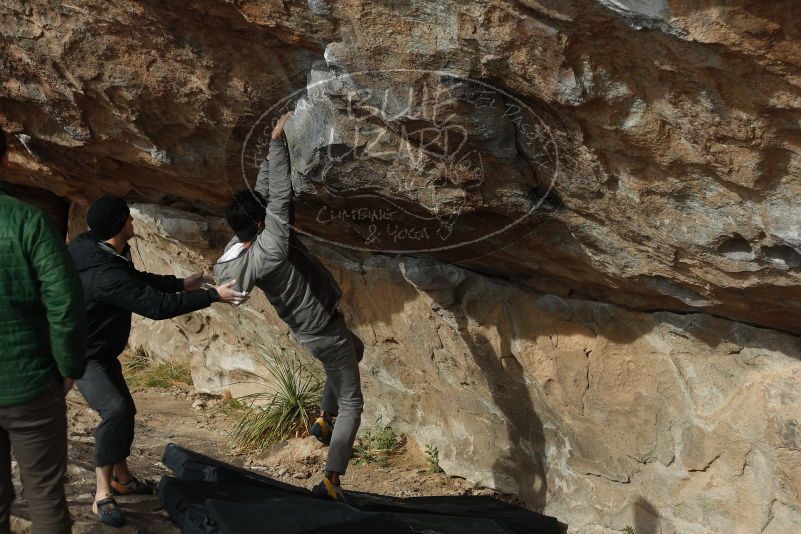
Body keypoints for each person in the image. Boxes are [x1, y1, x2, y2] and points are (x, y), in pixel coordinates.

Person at [68, 196, 248, 527]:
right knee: (115, 411)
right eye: (129, 218)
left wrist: (182, 283)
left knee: (126, 411)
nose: (133, 222)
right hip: (82, 354)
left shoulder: (100, 249)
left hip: (99, 350)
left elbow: (135, 279)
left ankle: (122, 479)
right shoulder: (103, 273)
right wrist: (212, 295)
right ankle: (102, 494)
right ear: (121, 224)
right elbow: (156, 307)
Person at [214, 111, 364, 503]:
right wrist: (277, 142)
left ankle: (322, 419)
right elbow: (279, 197)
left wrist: (268, 156)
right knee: (353, 402)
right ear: (261, 226)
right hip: (325, 330)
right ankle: (333, 478)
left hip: (310, 331)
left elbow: (264, 196)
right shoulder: (273, 247)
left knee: (356, 351)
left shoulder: (239, 249)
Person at [0, 128, 87, 534]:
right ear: (5, 161)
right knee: (45, 495)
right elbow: (65, 303)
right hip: (31, 384)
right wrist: (68, 365)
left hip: (27, 382)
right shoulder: (28, 221)